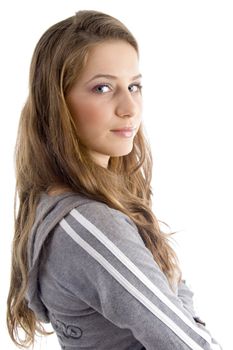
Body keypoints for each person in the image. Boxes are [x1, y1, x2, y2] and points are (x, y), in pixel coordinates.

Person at [6, 10, 222, 350]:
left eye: (134, 86)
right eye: (103, 88)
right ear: (57, 102)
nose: (130, 107)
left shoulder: (64, 206)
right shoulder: (89, 224)